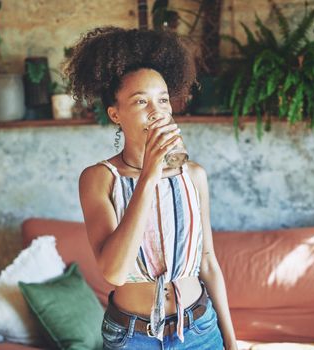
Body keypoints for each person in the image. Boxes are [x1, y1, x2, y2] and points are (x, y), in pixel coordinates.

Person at [66, 27, 237, 350]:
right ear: (115, 114)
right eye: (141, 101)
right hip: (133, 337)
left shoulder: (195, 176)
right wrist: (149, 174)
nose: (156, 111)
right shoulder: (99, 178)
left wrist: (230, 342)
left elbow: (208, 263)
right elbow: (114, 272)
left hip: (200, 330)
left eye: (162, 100)